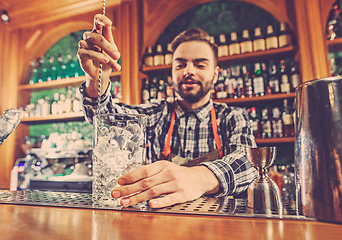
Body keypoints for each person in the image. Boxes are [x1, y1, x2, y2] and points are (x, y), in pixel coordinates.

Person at [77, 14, 257, 208]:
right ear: (172, 72)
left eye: (200, 64)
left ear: (215, 75)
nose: (189, 71)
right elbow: (105, 119)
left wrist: (200, 178)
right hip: (159, 221)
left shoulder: (232, 117)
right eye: (180, 64)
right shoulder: (157, 114)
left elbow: (249, 163)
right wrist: (96, 79)